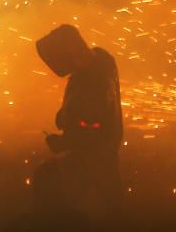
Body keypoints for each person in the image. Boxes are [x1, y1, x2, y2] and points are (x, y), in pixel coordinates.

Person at [32, 24, 123, 228]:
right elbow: (84, 112)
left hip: (93, 157)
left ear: (70, 55)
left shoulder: (94, 83)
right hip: (100, 153)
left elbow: (93, 131)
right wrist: (64, 116)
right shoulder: (100, 60)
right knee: (111, 205)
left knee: (48, 182)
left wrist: (62, 142)